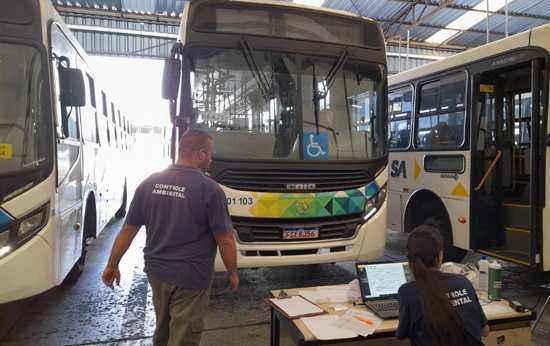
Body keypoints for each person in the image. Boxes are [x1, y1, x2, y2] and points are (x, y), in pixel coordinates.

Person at [101, 129, 238, 346]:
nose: (212, 160)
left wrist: (112, 264)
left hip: (157, 274)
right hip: (191, 277)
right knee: (183, 336)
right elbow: (226, 239)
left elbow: (128, 229)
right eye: (210, 154)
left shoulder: (150, 183)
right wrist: (232, 272)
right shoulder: (209, 189)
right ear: (200, 154)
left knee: (163, 331)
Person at [397, 225, 489, 346]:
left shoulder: (408, 292)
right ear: (439, 257)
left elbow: (402, 335)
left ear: (410, 259)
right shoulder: (463, 282)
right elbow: (485, 331)